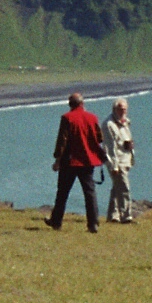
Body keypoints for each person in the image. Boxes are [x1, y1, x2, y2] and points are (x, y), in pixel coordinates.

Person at [45, 91, 105, 232]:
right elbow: (99, 138)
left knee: (62, 193)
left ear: (70, 104)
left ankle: (56, 221)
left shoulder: (67, 118)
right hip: (88, 161)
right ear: (82, 103)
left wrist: (57, 159)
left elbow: (62, 141)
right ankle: (93, 223)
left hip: (70, 161)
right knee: (89, 192)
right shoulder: (92, 118)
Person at [101, 98, 136, 224]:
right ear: (114, 109)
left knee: (117, 188)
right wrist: (114, 166)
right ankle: (126, 216)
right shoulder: (109, 124)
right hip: (117, 161)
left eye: (125, 109)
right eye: (120, 109)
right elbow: (110, 147)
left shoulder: (125, 122)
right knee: (124, 188)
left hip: (125, 159)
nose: (123, 112)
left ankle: (113, 216)